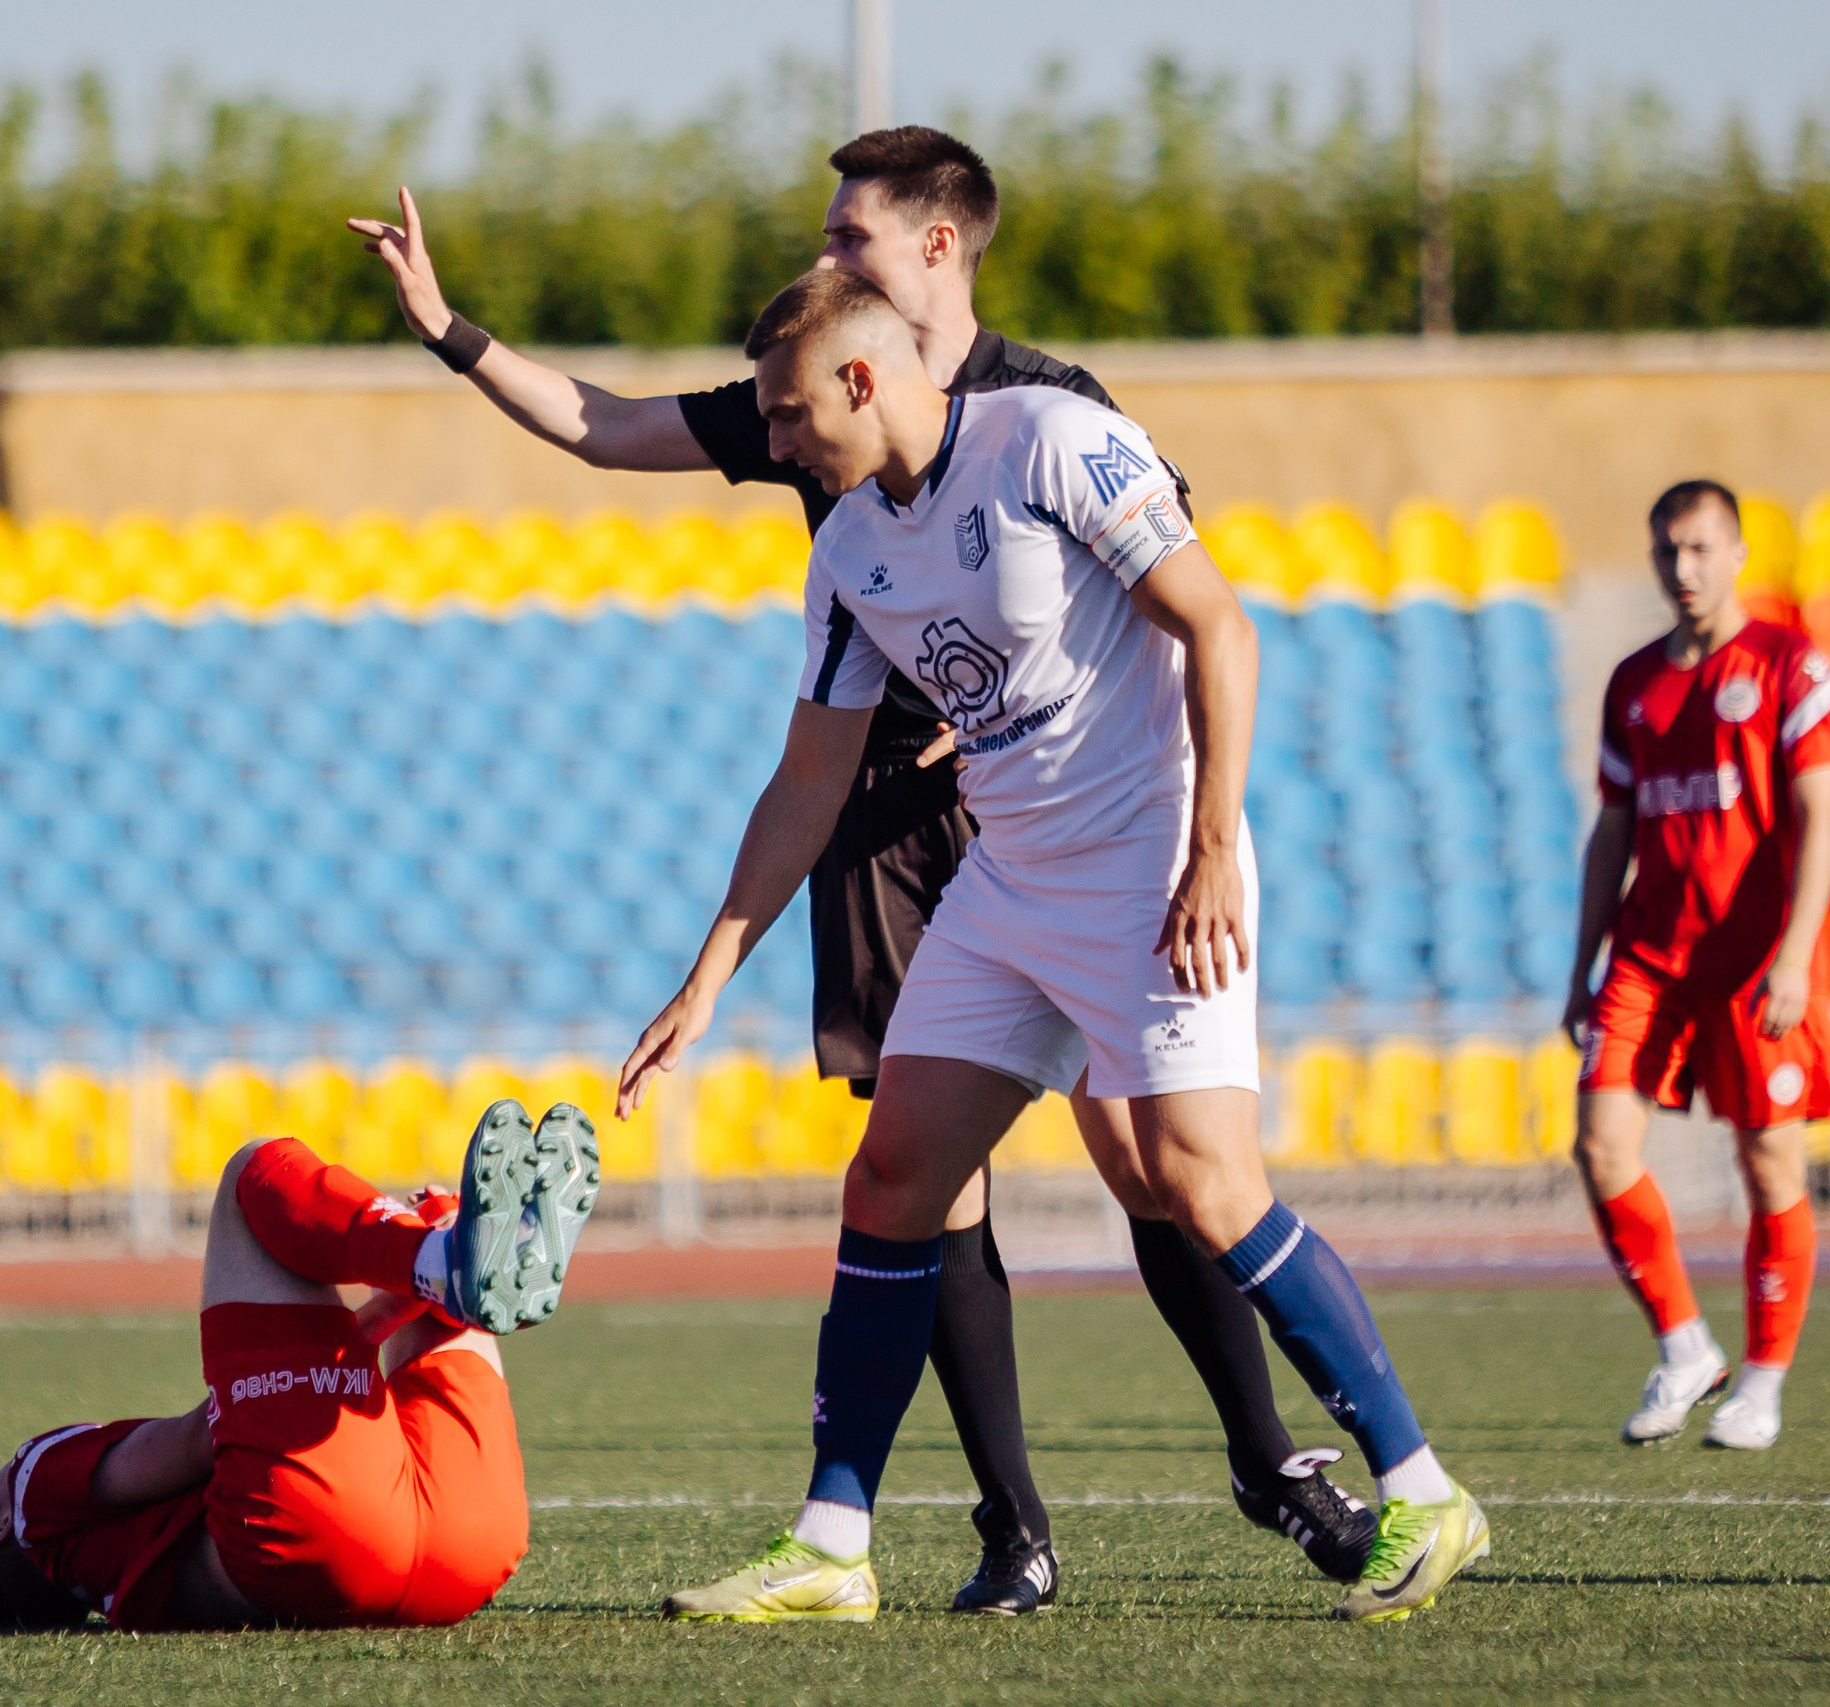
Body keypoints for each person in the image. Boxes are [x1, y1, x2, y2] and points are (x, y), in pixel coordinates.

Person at [350, 125, 1372, 1608]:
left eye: (849, 237)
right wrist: (450, 330)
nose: (824, 256)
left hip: (1048, 812)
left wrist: (1033, 727)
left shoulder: (1051, 410)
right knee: (919, 1182)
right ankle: (1011, 1527)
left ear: (936, 247)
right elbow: (601, 425)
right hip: (879, 826)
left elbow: (1167, 603)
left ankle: (1270, 1457)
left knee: (1149, 1158)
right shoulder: (800, 392)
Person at [624, 269, 1486, 1624]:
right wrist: (704, 977)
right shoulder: (847, 550)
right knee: (893, 1177)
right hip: (1009, 881)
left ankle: (1424, 1490)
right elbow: (808, 781)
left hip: (1149, 860)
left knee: (1201, 1181)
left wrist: (1211, 847)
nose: (774, 442)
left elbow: (1218, 624)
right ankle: (834, 1543)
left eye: (788, 413)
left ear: (861, 380)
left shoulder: (1051, 439)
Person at [0, 1100, 600, 1632]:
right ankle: (444, 1256)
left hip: (460, 1563)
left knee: (439, 1255)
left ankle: (452, 1256)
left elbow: (284, 1414)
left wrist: (369, 1323)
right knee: (252, 1175)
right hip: (325, 1529)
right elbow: (194, 1442)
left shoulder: (113, 1579)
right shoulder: (31, 1501)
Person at [1565, 480, 1830, 1452]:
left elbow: (1821, 820)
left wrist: (1795, 956)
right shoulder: (1634, 682)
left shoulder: (1788, 664)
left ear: (1735, 554)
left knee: (1768, 1163)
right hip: (1649, 954)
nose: (1682, 569)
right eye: (1667, 551)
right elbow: (1612, 831)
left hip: (1753, 961)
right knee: (1601, 1146)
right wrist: (1580, 966)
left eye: (1699, 549)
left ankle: (1762, 1380)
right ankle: (1685, 1346)